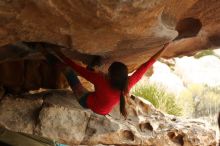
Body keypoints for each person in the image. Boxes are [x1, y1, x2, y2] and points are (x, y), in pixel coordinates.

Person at [42, 43, 169, 118]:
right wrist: (164, 48)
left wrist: (59, 52)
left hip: (86, 101)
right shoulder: (127, 84)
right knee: (94, 72)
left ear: (111, 76)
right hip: (103, 110)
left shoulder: (101, 80)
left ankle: (46, 54)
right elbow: (146, 65)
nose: (107, 72)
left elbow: (75, 68)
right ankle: (93, 66)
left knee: (68, 71)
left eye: (109, 72)